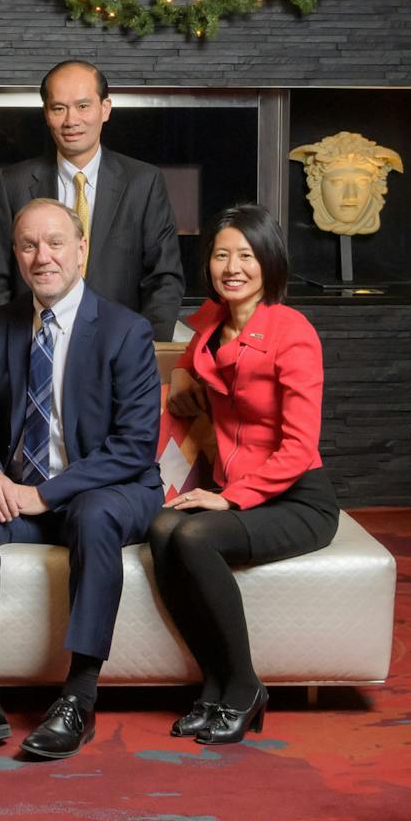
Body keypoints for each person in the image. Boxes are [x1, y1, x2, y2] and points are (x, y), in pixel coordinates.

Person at [0, 198, 163, 760]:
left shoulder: (126, 331)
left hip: (108, 493)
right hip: (21, 493)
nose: (42, 256)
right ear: (17, 256)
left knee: (95, 515)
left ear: (82, 250)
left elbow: (133, 448)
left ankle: (78, 698)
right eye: (28, 245)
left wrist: (43, 493)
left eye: (54, 243)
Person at [148, 203, 339, 745]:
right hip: (238, 490)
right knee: (162, 529)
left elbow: (299, 449)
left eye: (246, 256)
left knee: (195, 536)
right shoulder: (213, 317)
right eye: (221, 255)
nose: (232, 267)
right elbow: (192, 349)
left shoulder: (293, 332)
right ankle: (213, 685)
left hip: (296, 498)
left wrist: (229, 500)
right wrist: (183, 377)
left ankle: (245, 688)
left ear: (268, 262)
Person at [0, 60, 184, 340]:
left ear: (105, 109)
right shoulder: (13, 183)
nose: (71, 120)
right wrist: (3, 346)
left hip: (119, 345)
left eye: (83, 106)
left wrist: (149, 351)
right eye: (59, 108)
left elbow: (164, 279)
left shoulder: (144, 182)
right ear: (46, 113)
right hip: (34, 341)